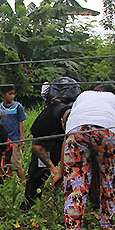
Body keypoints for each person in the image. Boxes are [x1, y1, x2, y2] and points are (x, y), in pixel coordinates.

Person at [60, 84, 115, 230]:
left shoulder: (82, 97)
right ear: (112, 94)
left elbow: (67, 136)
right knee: (108, 181)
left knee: (75, 187)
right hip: (107, 132)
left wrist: (61, 172)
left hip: (76, 132)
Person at [23, 77, 81, 207]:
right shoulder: (48, 116)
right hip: (51, 143)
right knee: (37, 177)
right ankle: (30, 205)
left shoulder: (83, 112)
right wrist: (53, 169)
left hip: (78, 143)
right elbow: (37, 145)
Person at [0, 84, 27, 182]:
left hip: (14, 140)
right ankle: (9, 184)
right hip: (3, 140)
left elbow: (20, 123)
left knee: (16, 164)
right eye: (9, 94)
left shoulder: (17, 107)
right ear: (3, 95)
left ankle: (25, 185)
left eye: (13, 94)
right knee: (5, 164)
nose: (12, 96)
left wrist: (21, 138)